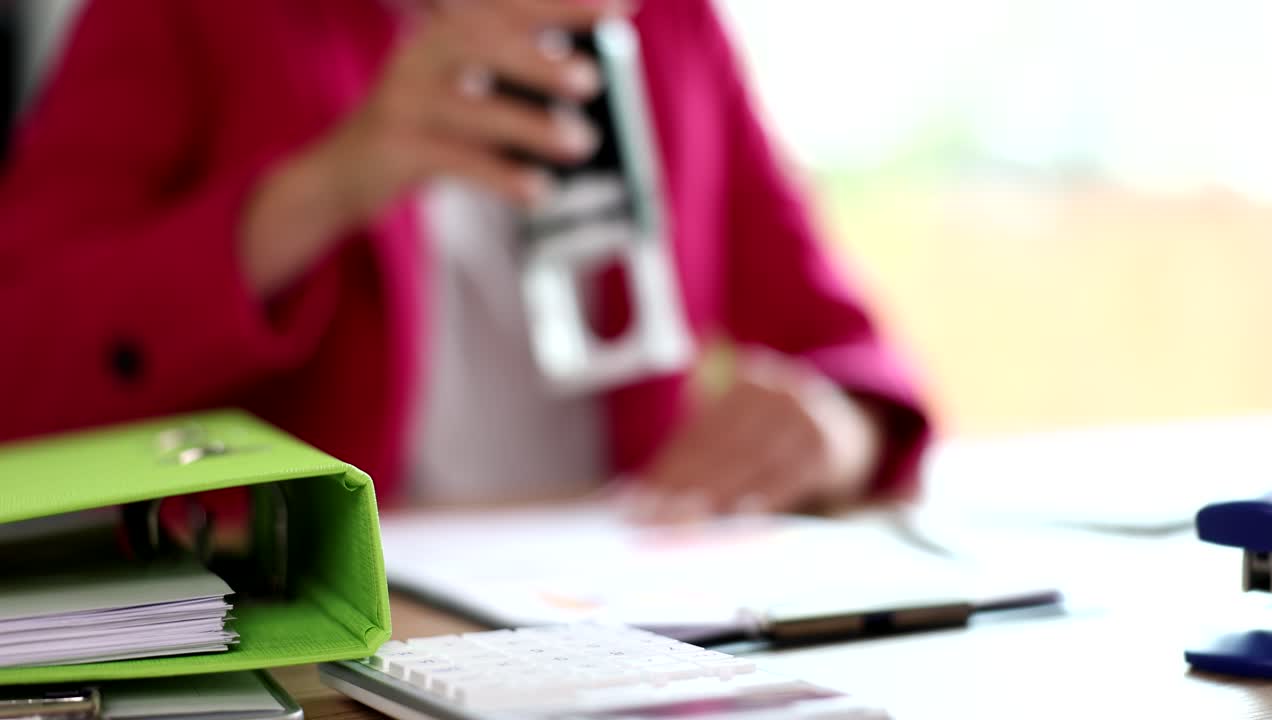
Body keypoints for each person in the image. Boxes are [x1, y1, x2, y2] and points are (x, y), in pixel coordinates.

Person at [0, 0, 930, 520]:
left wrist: (836, 429)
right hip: (315, 627)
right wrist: (320, 191)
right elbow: (22, 362)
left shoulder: (669, 25)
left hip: (614, 614)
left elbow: (842, 346)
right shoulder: (189, 19)